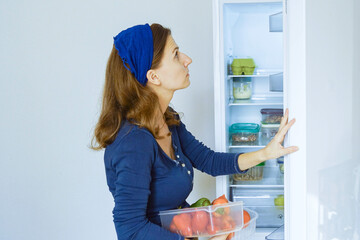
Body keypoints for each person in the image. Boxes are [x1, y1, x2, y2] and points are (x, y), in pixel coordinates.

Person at [90, 23, 299, 240]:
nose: (187, 59)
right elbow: (130, 230)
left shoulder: (168, 120)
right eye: (176, 54)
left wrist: (266, 153)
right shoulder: (133, 142)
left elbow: (209, 161)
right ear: (153, 77)